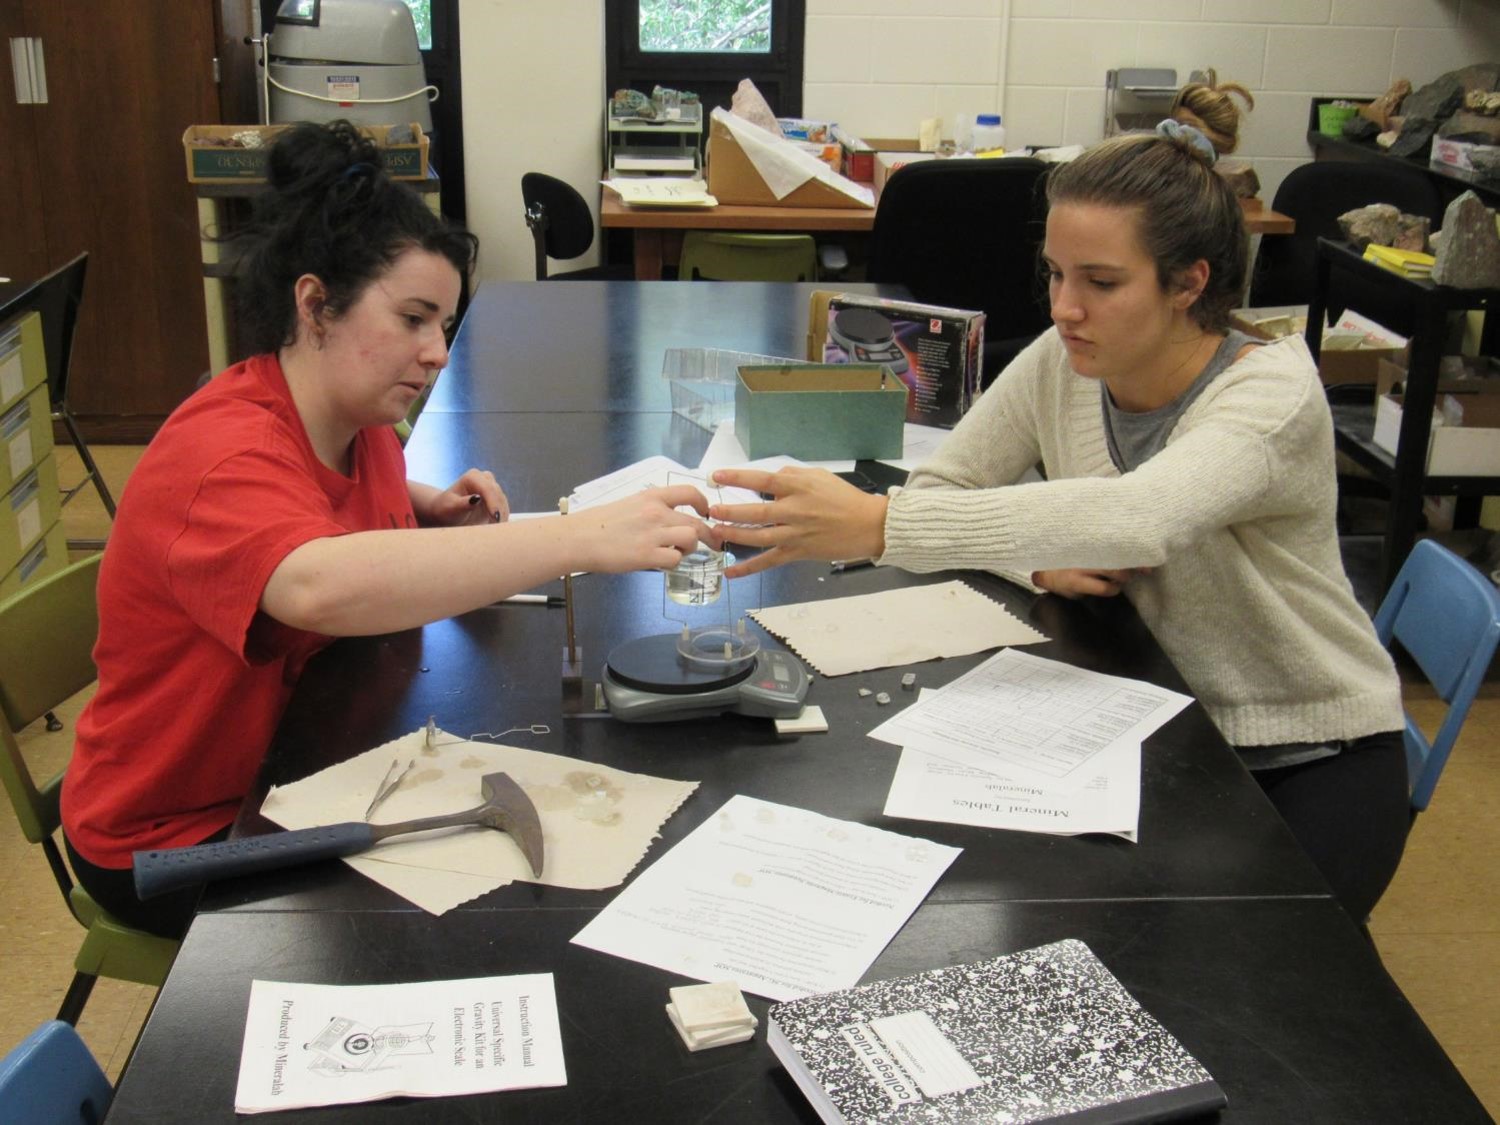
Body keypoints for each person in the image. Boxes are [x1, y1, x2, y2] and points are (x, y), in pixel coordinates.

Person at [709, 113, 1410, 923]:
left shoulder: (1269, 398)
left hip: (1306, 752)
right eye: (1055, 274)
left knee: (1223, 981)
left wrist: (878, 524)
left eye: (1101, 283)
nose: (1066, 308)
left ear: (1189, 283)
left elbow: (1139, 517)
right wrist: (1036, 563)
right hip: (1163, 726)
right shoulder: (1068, 359)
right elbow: (945, 487)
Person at [61, 121, 713, 938]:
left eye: (442, 324)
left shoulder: (350, 415)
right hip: (181, 835)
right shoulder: (218, 454)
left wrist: (422, 503)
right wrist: (575, 538)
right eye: (412, 318)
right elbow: (315, 583)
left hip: (294, 775)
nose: (435, 352)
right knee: (477, 918)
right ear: (314, 304)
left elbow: (317, 493)